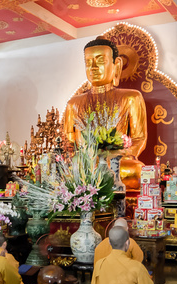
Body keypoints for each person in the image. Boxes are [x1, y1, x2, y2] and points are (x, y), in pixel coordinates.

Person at [62, 37, 148, 189]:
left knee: (136, 171)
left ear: (117, 65)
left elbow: (139, 138)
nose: (93, 67)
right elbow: (69, 142)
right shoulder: (73, 103)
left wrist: (119, 154)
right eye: (88, 63)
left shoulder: (131, 97)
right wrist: (74, 156)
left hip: (116, 162)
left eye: (100, 61)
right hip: (85, 163)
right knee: (63, 172)